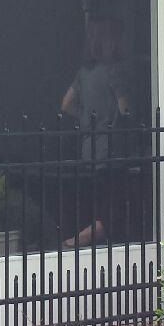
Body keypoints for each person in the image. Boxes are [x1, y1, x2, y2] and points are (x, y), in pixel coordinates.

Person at [60, 17, 132, 247]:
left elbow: (65, 104)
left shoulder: (84, 73)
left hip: (88, 148)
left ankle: (90, 233)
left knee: (96, 199)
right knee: (114, 203)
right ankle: (94, 234)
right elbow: (125, 108)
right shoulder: (113, 72)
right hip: (112, 149)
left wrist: (84, 116)